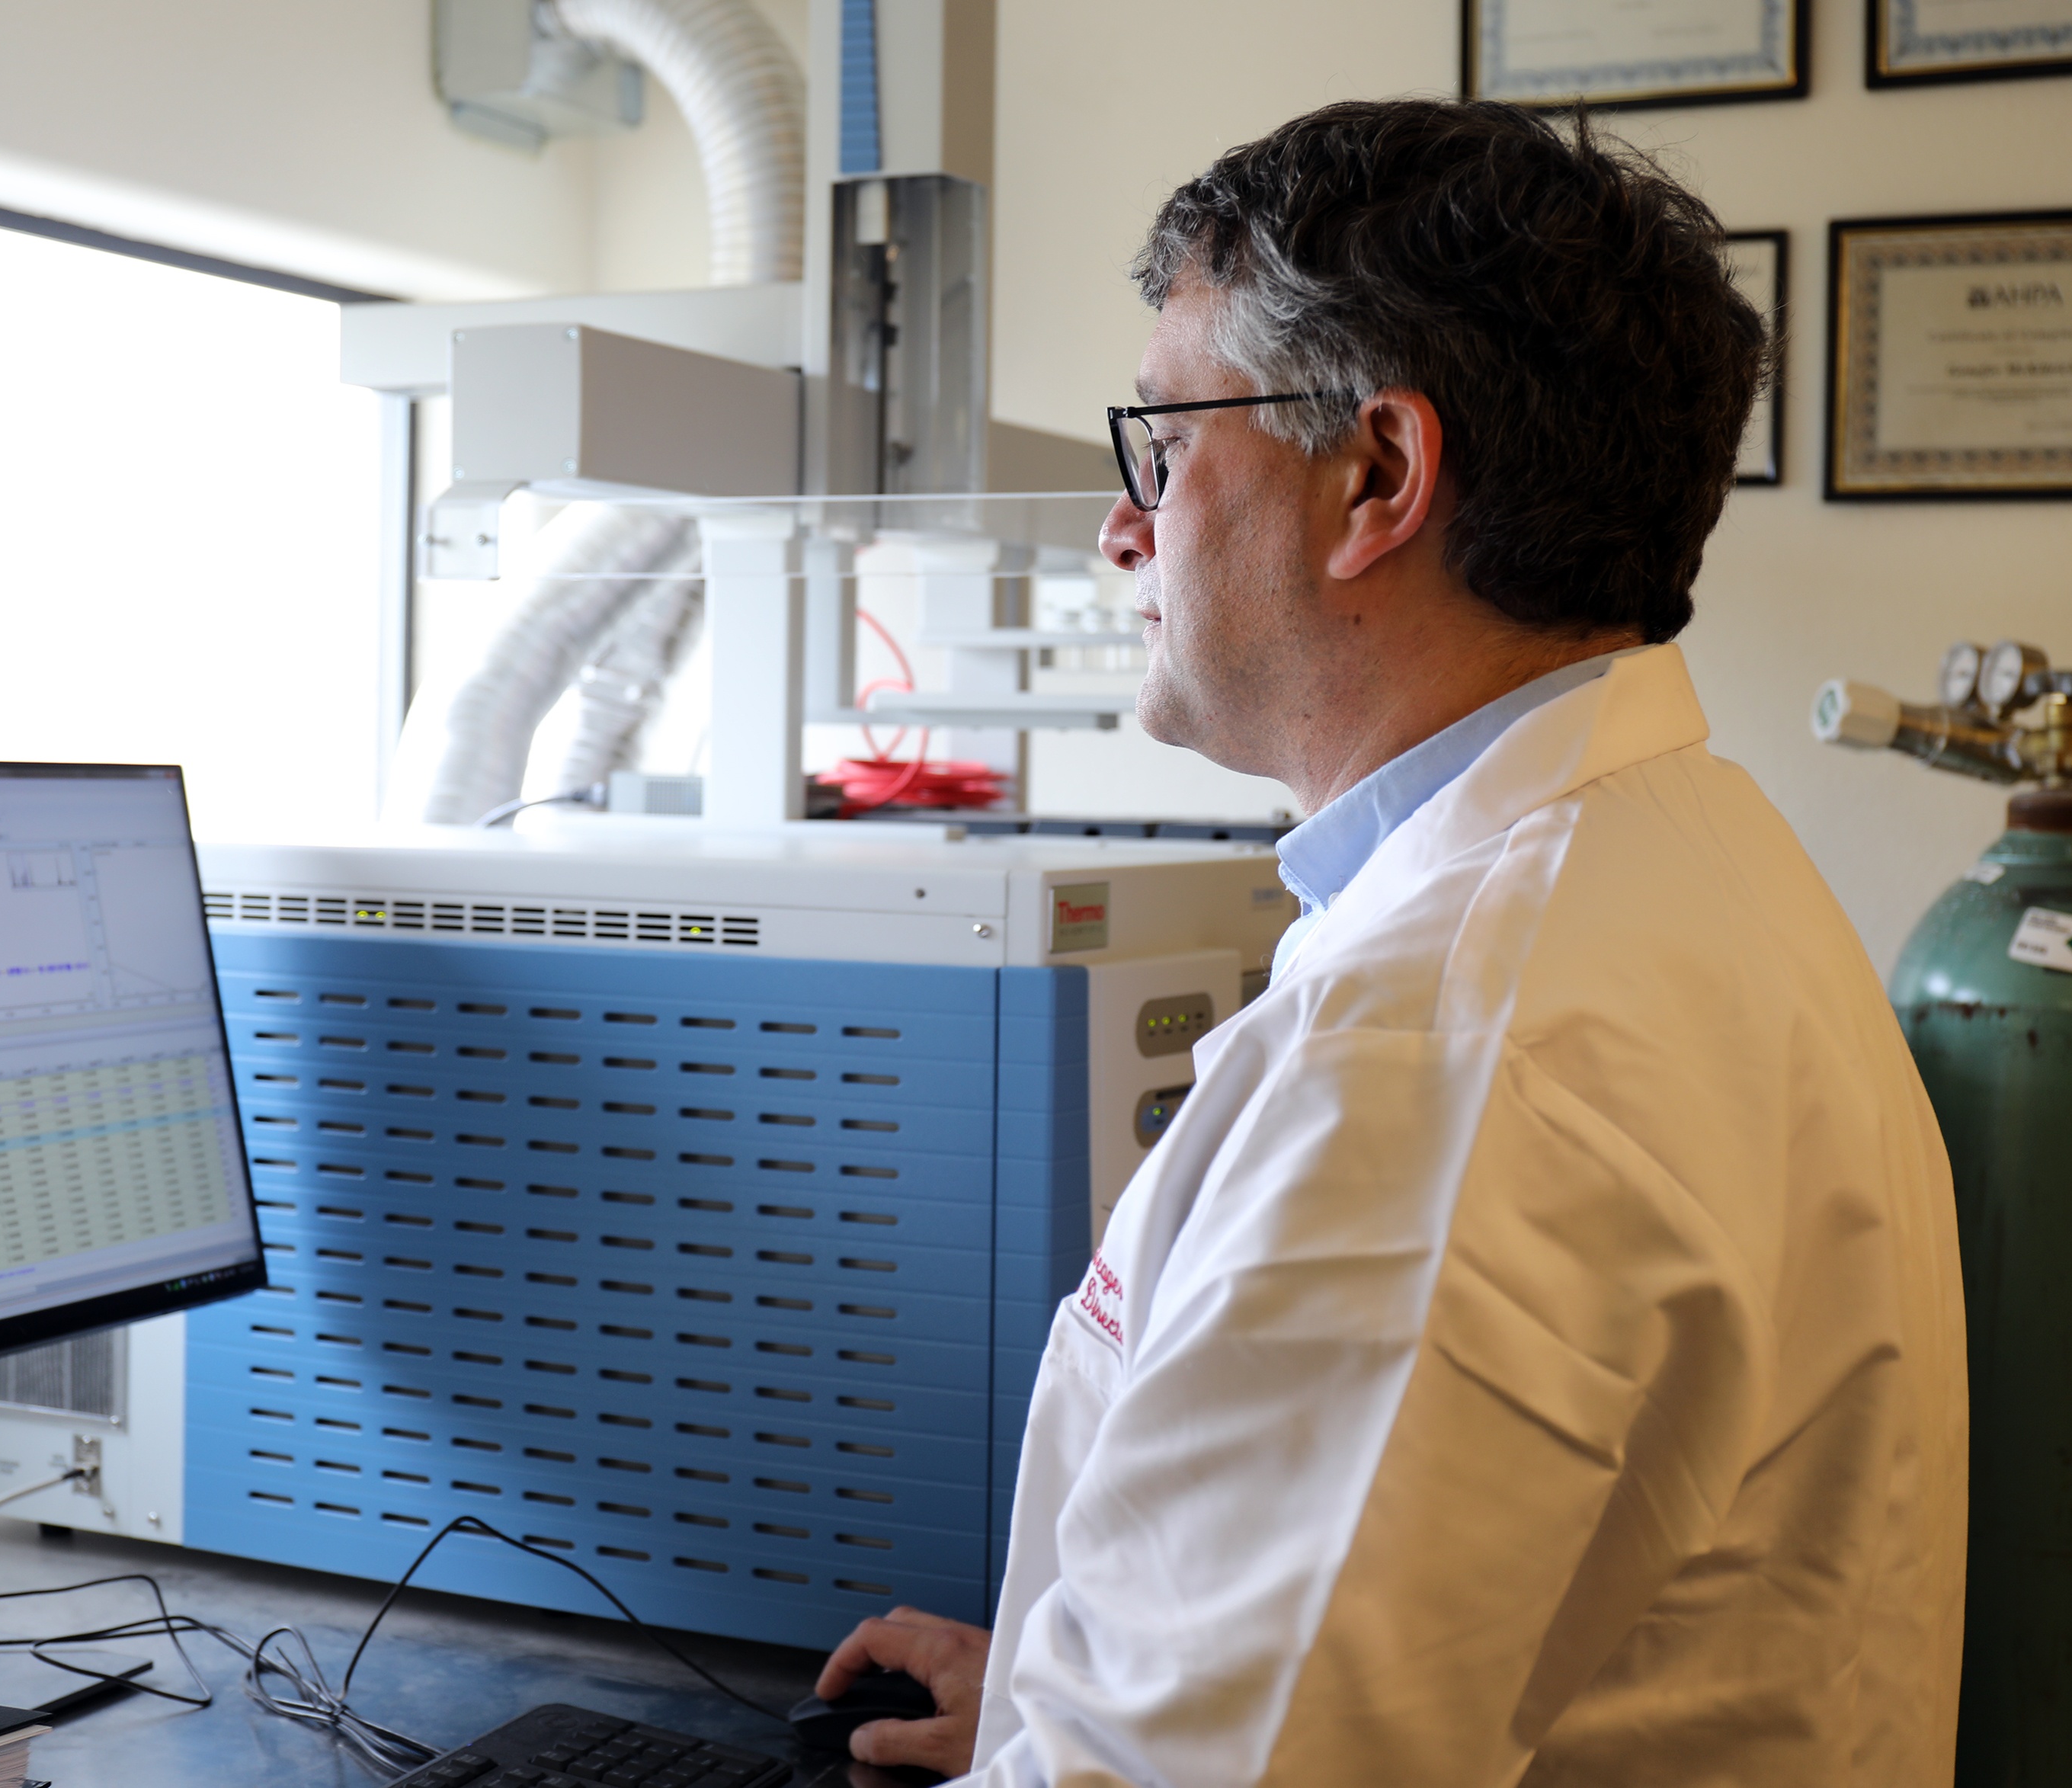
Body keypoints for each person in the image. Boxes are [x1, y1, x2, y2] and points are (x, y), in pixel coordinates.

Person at [814, 98, 1968, 1785]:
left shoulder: (1450, 1056)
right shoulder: (1667, 859)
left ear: (1376, 477)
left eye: (1165, 443)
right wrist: (1080, 1692)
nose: (1121, 526)